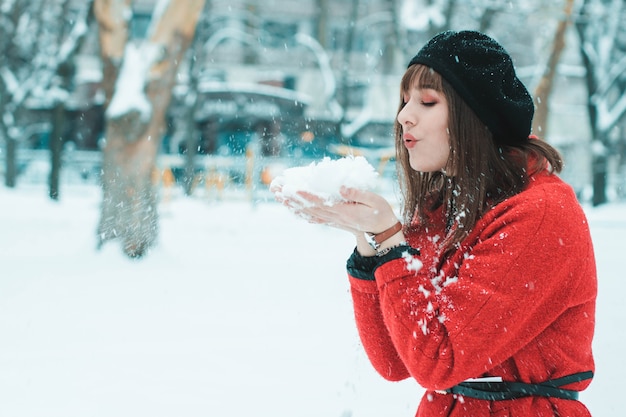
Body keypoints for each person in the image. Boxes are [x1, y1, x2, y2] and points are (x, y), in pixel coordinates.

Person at [272, 30, 597, 417]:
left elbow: (438, 361)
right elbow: (395, 360)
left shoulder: (541, 215)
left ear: (474, 118)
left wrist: (390, 240)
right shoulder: (441, 211)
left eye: (427, 101)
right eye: (405, 101)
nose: (403, 116)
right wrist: (367, 242)